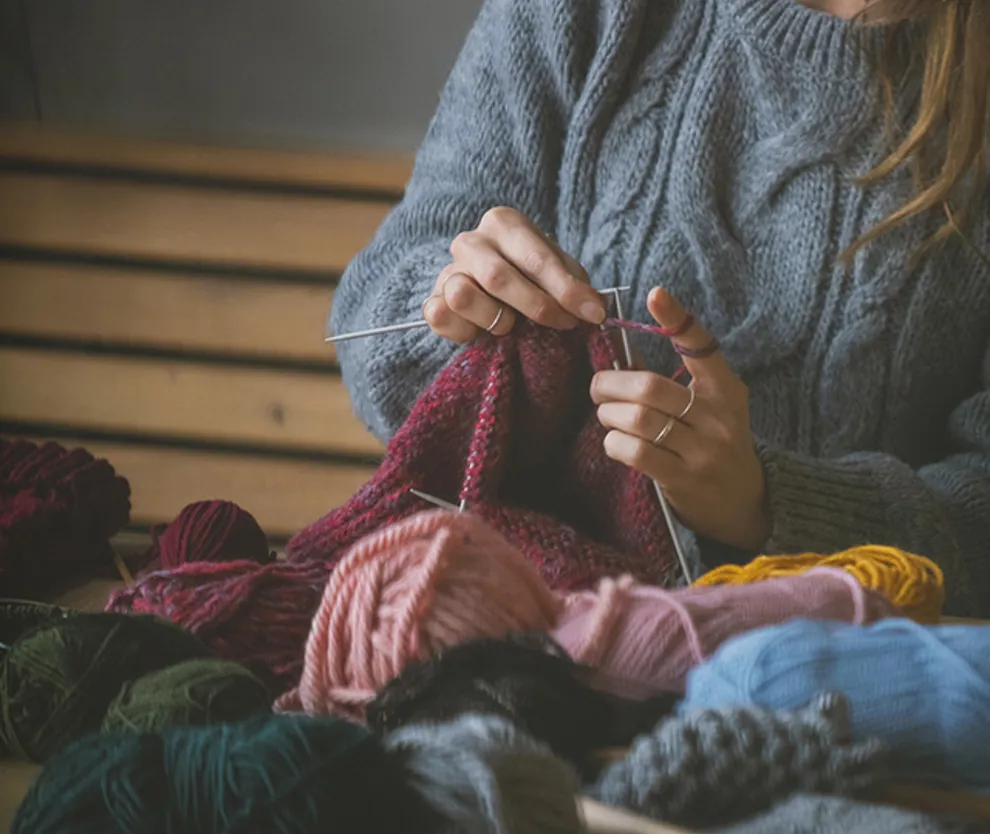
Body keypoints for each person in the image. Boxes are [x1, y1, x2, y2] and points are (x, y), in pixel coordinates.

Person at [330, 0, 990, 614]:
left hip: (843, 685)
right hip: (505, 636)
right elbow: (368, 333)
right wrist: (449, 307)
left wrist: (768, 504)